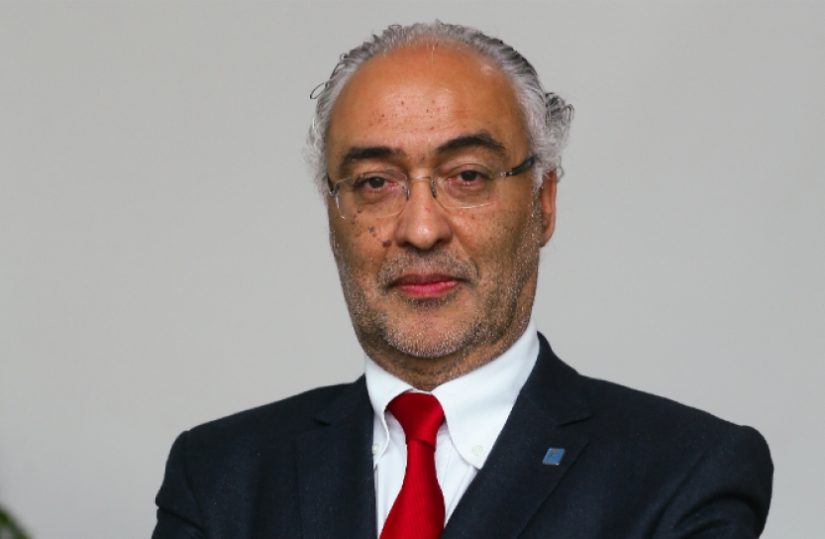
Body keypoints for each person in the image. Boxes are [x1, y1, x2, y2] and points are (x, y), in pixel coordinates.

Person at [152, 21, 773, 538]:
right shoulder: (219, 476)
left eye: (467, 176)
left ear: (543, 202)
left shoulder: (684, 472)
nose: (421, 229)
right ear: (333, 214)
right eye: (376, 182)